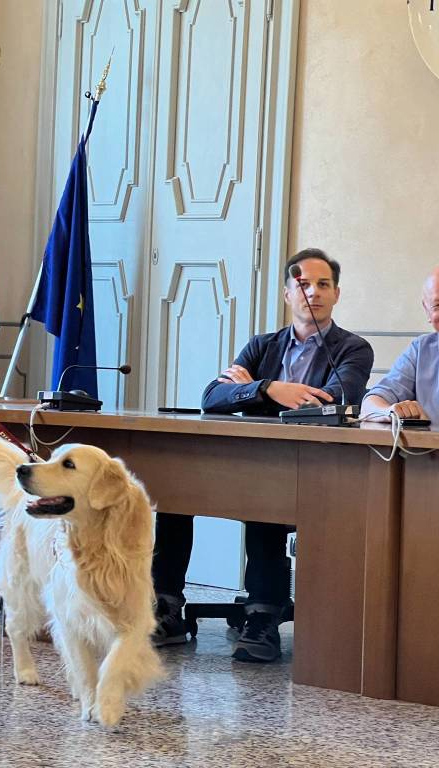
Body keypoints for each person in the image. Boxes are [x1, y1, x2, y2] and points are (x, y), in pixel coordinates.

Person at [152, 248, 373, 662]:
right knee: (174, 490)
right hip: (247, 464)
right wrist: (270, 388)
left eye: (323, 284)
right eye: (303, 284)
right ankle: (167, 608)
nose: (313, 292)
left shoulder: (352, 349)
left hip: (312, 471)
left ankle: (262, 617)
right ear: (288, 293)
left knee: (266, 503)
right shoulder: (261, 346)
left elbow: (337, 400)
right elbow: (212, 397)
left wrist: (254, 391)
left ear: (337, 294)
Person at [361, 266, 439, 422]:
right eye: (438, 306)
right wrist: (390, 412)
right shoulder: (421, 350)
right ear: (427, 311)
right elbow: (370, 404)